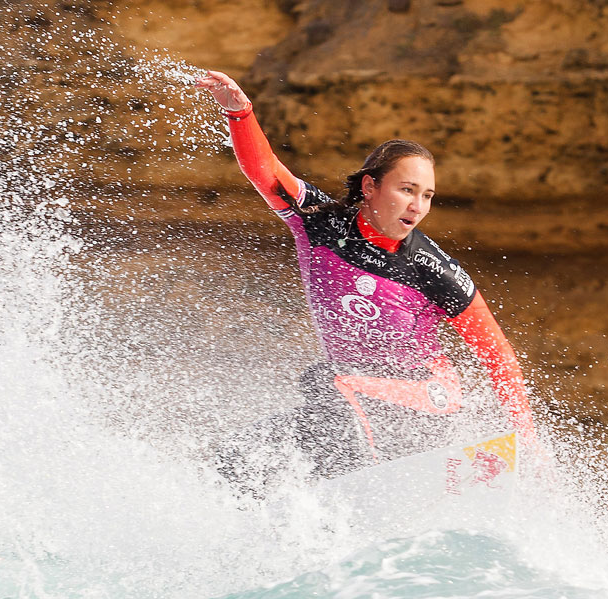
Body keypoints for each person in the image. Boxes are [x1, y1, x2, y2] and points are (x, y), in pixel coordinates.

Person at [195, 70, 537, 489]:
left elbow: (497, 354)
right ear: (371, 186)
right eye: (407, 189)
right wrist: (240, 112)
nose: (418, 206)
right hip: (350, 405)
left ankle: (369, 485)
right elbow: (265, 170)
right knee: (237, 460)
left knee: (329, 382)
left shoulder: (433, 268)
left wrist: (527, 439)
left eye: (427, 195)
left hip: (426, 400)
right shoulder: (319, 222)